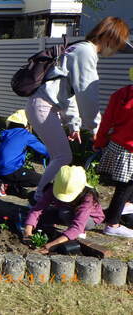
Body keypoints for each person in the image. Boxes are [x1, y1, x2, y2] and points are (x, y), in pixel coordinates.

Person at [25, 17, 130, 202]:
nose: (114, 52)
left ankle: (48, 194)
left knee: (60, 156)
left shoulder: (79, 47)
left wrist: (74, 124)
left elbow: (68, 92)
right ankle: (39, 197)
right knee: (63, 156)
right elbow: (87, 93)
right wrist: (96, 128)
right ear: (109, 38)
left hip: (43, 105)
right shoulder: (85, 52)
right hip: (43, 106)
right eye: (117, 46)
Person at [23, 166, 105, 253]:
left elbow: (77, 226)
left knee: (65, 213)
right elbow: (38, 209)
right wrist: (27, 231)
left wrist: (53, 244)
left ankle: (78, 233)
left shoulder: (88, 197)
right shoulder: (53, 188)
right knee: (44, 215)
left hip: (89, 219)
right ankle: (55, 230)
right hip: (64, 211)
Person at [93, 84, 133, 237]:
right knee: (125, 186)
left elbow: (107, 120)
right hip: (130, 149)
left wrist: (99, 142)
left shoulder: (121, 93)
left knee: (125, 186)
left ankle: (125, 206)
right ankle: (112, 224)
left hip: (117, 144)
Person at [0, 110, 49, 197]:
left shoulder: (6, 133)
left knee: (29, 170)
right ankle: (5, 181)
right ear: (26, 123)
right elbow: (44, 150)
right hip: (8, 169)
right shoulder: (26, 135)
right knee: (41, 180)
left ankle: (0, 179)